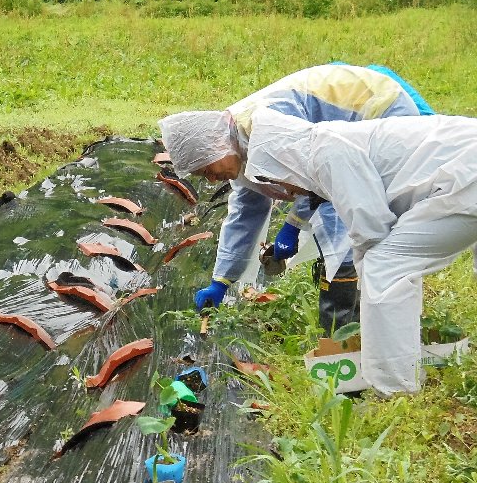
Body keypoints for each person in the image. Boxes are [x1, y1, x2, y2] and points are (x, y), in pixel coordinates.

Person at [158, 63, 433, 334]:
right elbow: (246, 212)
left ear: (214, 145)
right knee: (348, 231)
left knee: (351, 233)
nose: (211, 180)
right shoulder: (234, 145)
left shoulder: (263, 127)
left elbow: (316, 177)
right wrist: (221, 280)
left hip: (376, 115)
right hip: (338, 147)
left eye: (207, 170)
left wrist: (292, 225)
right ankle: (359, 332)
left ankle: (352, 339)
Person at [243, 109, 477, 394]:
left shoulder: (326, 155)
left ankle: (396, 391)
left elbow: (372, 228)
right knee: (387, 263)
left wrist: (364, 271)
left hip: (466, 177)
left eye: (278, 182)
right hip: (463, 161)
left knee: (385, 268)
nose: (288, 192)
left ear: (284, 165)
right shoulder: (319, 145)